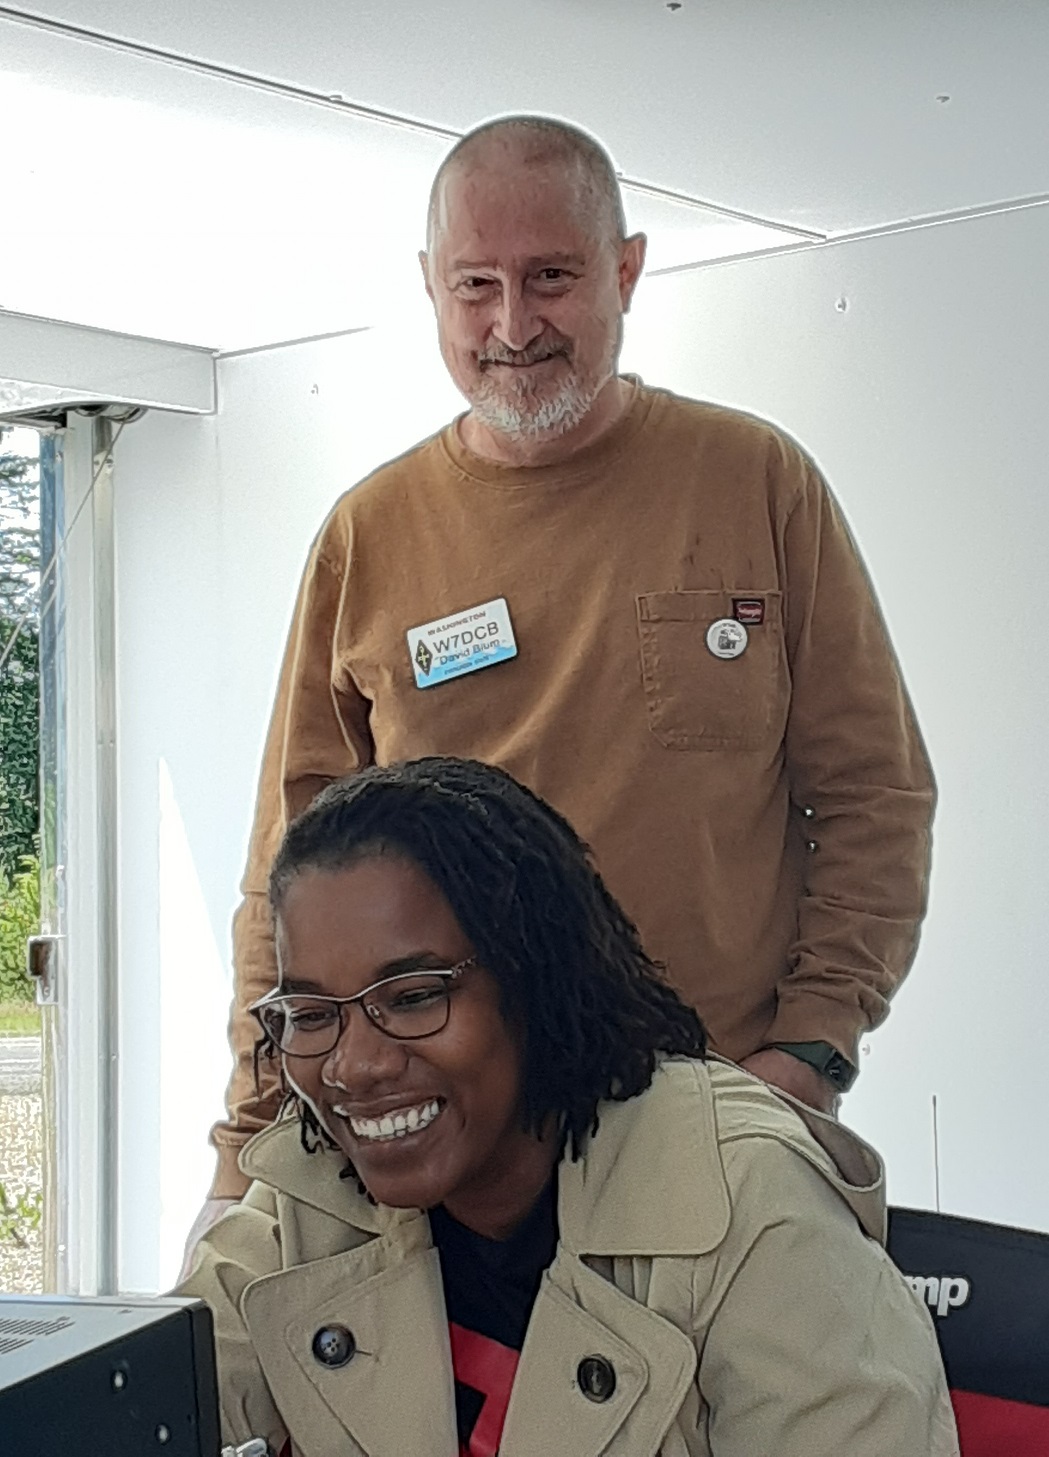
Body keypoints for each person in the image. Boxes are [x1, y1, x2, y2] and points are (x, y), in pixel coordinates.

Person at [192, 112, 935, 1248]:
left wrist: (811, 1049)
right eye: (474, 285)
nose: (511, 324)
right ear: (430, 286)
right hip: (441, 1159)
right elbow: (288, 876)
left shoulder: (755, 481)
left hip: (714, 1136)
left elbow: (874, 797)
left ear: (624, 271)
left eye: (550, 277)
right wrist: (244, 1154)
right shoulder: (367, 535)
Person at [178, 758, 957, 1457]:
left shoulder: (756, 1208)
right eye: (312, 1014)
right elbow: (152, 1394)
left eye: (413, 997)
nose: (355, 1065)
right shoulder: (307, 1191)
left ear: (534, 983)